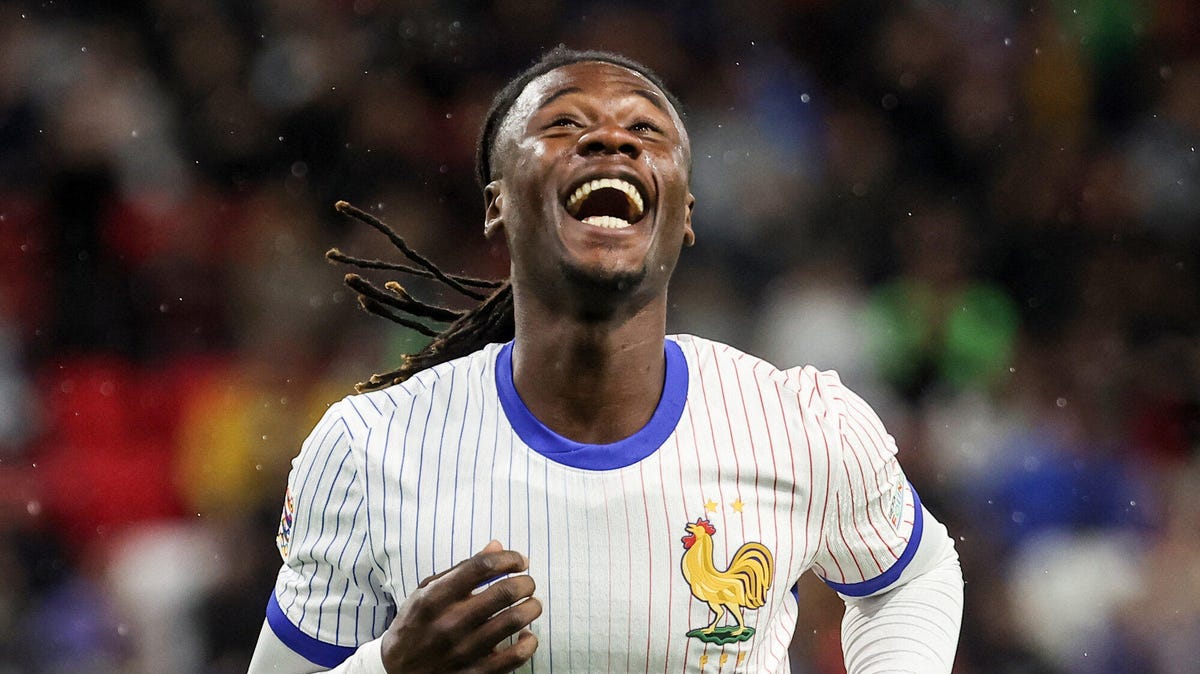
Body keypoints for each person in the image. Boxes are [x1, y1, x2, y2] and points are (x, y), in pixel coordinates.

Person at [247, 47, 963, 673]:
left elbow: (915, 575)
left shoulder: (801, 424)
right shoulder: (368, 449)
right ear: (496, 205)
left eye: (647, 131)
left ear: (683, 215)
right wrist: (389, 668)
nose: (611, 140)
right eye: (563, 123)